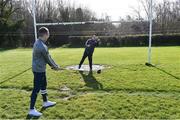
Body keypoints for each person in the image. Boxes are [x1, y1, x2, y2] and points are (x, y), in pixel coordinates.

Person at [28, 27, 60, 117]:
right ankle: (31, 109)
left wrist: (54, 66)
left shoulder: (38, 42)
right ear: (45, 34)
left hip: (40, 69)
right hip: (38, 70)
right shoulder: (42, 46)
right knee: (36, 89)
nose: (49, 35)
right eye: (48, 33)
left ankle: (45, 102)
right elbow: (48, 59)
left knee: (43, 85)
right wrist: (55, 66)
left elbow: (47, 57)